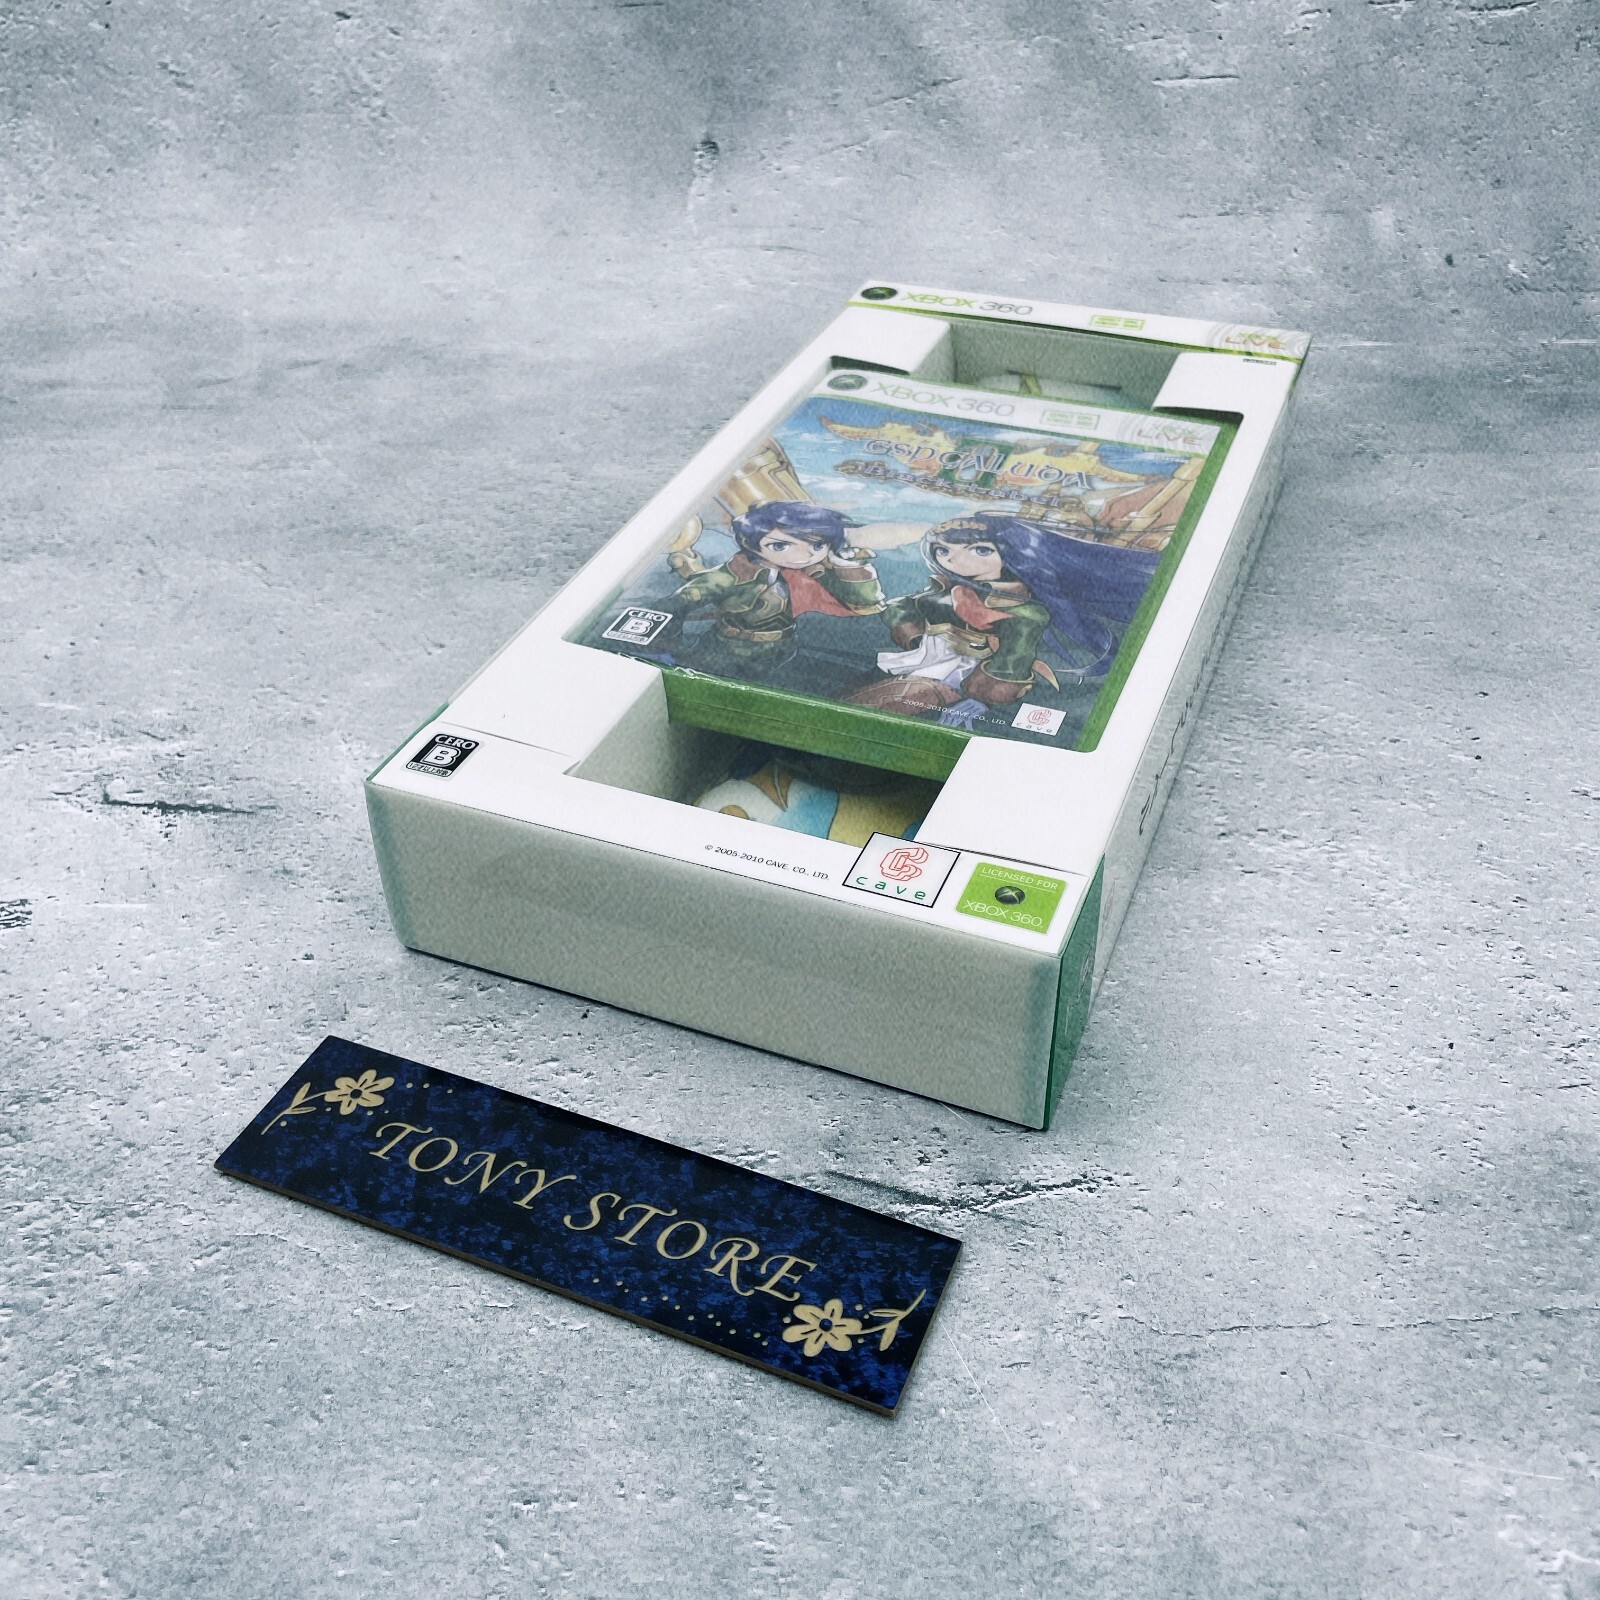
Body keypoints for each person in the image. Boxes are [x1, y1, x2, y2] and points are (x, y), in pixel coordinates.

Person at [850, 513, 1160, 726]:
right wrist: (915, 636)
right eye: (943, 550)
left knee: (879, 705)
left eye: (980, 550)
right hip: (919, 658)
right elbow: (902, 605)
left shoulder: (1024, 610)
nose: (954, 559)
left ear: (1010, 555)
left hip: (963, 675)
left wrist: (983, 699)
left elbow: (1011, 663)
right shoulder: (947, 586)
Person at [651, 501, 884, 678]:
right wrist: (663, 646)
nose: (805, 554)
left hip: (782, 649)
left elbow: (865, 602)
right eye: (781, 545)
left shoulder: (810, 571)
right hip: (726, 650)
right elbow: (674, 604)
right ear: (750, 543)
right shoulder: (732, 575)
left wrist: (846, 567)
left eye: (817, 544)